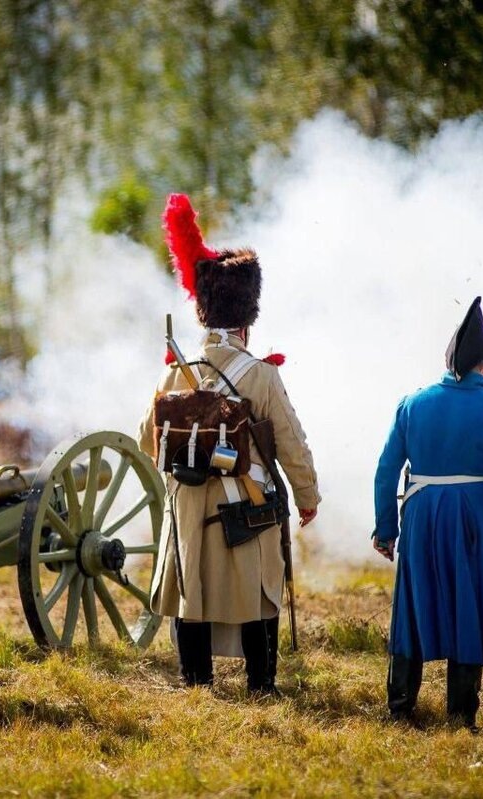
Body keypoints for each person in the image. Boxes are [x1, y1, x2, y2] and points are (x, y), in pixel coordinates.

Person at [138, 194, 320, 696]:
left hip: (188, 502)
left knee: (189, 589)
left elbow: (145, 439)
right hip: (247, 505)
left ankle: (195, 681)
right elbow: (290, 442)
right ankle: (262, 685)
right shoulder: (261, 375)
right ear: (246, 321)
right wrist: (307, 497)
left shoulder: (174, 371)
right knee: (260, 591)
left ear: (202, 315)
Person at [372, 296, 483, 729]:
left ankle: (400, 708)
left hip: (420, 516)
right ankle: (460, 715)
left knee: (414, 607)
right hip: (473, 519)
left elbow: (385, 471)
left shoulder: (411, 404)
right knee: (468, 607)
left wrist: (386, 528)